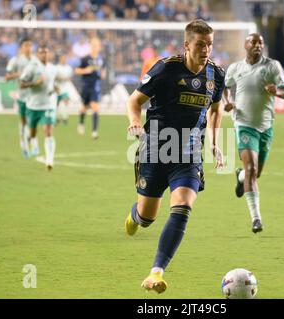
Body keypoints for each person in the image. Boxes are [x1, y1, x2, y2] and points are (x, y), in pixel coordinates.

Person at [124, 19, 225, 294]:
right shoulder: (165, 69)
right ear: (187, 45)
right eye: (200, 45)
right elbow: (134, 101)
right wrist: (134, 121)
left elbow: (216, 110)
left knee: (182, 206)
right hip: (157, 148)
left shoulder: (216, 75)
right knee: (147, 218)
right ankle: (135, 217)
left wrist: (215, 142)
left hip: (189, 153)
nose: (206, 50)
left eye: (210, 45)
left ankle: (156, 272)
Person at [222, 33, 284, 233]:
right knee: (252, 168)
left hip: (265, 126)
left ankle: (240, 176)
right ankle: (256, 219)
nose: (258, 45)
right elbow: (225, 89)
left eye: (261, 42)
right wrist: (228, 104)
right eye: (253, 42)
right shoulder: (236, 68)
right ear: (245, 45)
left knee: (255, 173)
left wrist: (276, 92)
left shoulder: (272, 67)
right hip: (243, 123)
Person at [20, 45, 58, 171]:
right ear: (37, 54)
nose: (44, 55)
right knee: (33, 132)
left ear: (49, 54)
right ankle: (30, 138)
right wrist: (34, 83)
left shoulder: (52, 68)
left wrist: (56, 88)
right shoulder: (31, 67)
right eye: (41, 52)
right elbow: (21, 84)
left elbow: (52, 84)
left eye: (46, 52)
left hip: (48, 105)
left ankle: (49, 160)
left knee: (48, 131)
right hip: (33, 106)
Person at [5, 37, 36, 157]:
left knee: (33, 121)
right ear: (21, 48)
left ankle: (31, 142)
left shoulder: (35, 60)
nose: (29, 48)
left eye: (30, 45)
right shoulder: (16, 60)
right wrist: (19, 74)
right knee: (24, 122)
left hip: (35, 96)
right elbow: (7, 77)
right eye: (26, 45)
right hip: (22, 96)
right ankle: (24, 144)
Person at [75, 37, 106, 139]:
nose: (95, 47)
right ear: (90, 46)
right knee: (84, 108)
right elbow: (77, 70)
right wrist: (86, 70)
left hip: (95, 88)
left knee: (95, 107)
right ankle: (81, 122)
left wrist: (102, 75)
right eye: (93, 45)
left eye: (97, 45)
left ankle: (94, 131)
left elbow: (103, 73)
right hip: (85, 87)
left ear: (99, 47)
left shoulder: (101, 60)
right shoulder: (85, 59)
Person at [55, 54, 74, 125]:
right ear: (60, 59)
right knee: (56, 104)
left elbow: (71, 77)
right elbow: (54, 77)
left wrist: (67, 78)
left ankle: (64, 118)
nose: (64, 59)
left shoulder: (69, 68)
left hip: (66, 88)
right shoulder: (56, 67)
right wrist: (60, 78)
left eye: (65, 58)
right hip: (58, 88)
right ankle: (57, 118)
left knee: (65, 102)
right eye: (63, 58)